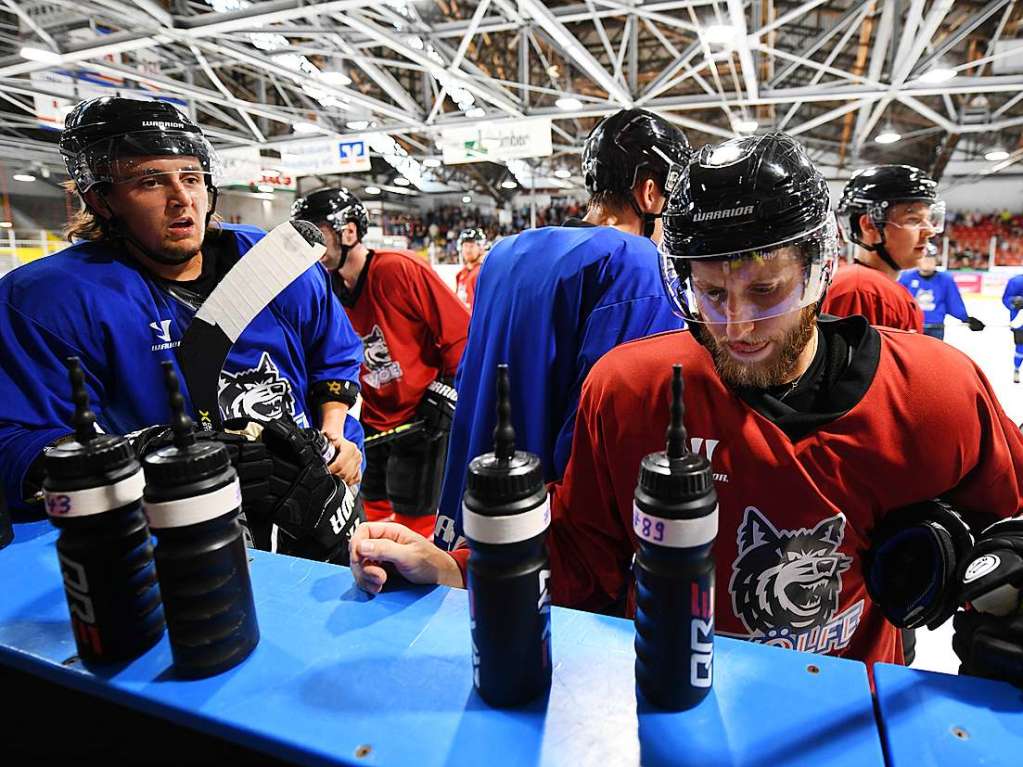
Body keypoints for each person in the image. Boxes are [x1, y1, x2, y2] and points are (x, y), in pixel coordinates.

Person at [349, 133, 1023, 679]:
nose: (737, 325)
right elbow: (586, 553)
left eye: (765, 289)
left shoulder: (938, 392)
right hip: (677, 697)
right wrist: (460, 569)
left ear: (817, 268)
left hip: (845, 703)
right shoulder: (628, 390)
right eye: (710, 292)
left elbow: (1010, 520)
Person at [0, 96, 365, 561]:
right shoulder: (52, 300)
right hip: (188, 530)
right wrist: (146, 456)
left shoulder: (276, 261)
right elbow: (15, 447)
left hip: (322, 496)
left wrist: (336, 433)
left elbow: (334, 357)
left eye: (191, 178)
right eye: (150, 181)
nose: (181, 198)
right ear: (99, 198)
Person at [433, 108, 690, 552]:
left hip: (468, 510)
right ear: (650, 191)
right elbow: (604, 426)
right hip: (545, 532)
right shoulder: (637, 265)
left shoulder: (505, 252)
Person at [291, 188, 469, 538]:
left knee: (414, 520)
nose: (311, 245)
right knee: (367, 509)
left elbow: (461, 333)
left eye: (318, 233)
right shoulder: (324, 286)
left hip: (423, 415)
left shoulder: (398, 269)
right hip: (374, 418)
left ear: (349, 231)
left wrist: (450, 389)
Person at [823, 165, 941, 332]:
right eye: (913, 220)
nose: (929, 231)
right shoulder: (862, 290)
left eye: (928, 220)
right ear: (870, 226)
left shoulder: (867, 286)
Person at [899, 246, 984, 340]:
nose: (927, 262)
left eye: (931, 259)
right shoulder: (906, 277)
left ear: (936, 261)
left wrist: (966, 319)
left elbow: (953, 302)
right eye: (924, 258)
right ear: (918, 260)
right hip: (912, 327)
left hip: (935, 327)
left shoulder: (945, 279)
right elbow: (898, 302)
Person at [454, 228, 486, 309]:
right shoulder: (460, 274)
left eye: (472, 246)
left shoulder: (484, 272)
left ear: (481, 247)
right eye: (465, 245)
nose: (468, 250)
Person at [1005, 272, 1023, 383]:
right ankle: (1016, 369)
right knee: (1020, 348)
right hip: (1020, 322)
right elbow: (1006, 298)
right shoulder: (1016, 281)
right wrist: (1014, 302)